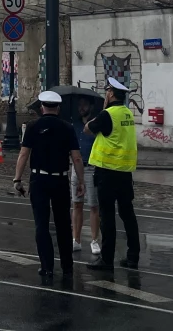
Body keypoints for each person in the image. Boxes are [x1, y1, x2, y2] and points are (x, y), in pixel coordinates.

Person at [12, 91, 85, 278]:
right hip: (60, 179)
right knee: (63, 224)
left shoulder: (32, 126)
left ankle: (47, 266)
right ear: (58, 108)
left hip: (39, 180)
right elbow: (76, 158)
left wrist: (17, 179)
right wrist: (81, 181)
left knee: (41, 224)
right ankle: (67, 266)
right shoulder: (68, 128)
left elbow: (23, 154)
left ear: (42, 107)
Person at [85, 77, 140, 271]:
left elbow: (88, 129)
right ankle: (133, 256)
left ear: (110, 94)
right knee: (128, 214)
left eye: (107, 91)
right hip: (125, 173)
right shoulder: (127, 114)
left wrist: (100, 111)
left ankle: (106, 259)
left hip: (107, 172)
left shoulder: (107, 114)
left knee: (107, 217)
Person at [71, 97, 101, 256]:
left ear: (90, 106)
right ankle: (76, 239)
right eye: (79, 104)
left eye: (84, 104)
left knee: (94, 205)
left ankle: (95, 240)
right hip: (77, 167)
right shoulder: (74, 124)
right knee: (76, 204)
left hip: (92, 167)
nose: (81, 107)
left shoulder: (96, 124)